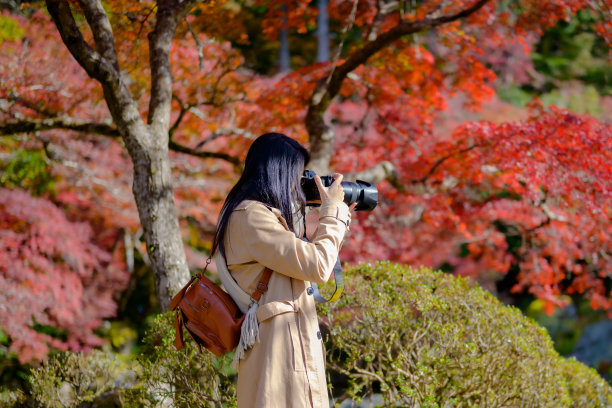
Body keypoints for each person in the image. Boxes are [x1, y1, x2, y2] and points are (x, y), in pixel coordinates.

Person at [211, 133, 353, 408]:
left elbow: (308, 262)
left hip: (284, 351)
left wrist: (333, 216)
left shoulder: (259, 216)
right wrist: (333, 211)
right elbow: (318, 265)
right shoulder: (251, 216)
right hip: (278, 356)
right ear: (278, 172)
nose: (298, 185)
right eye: (296, 175)